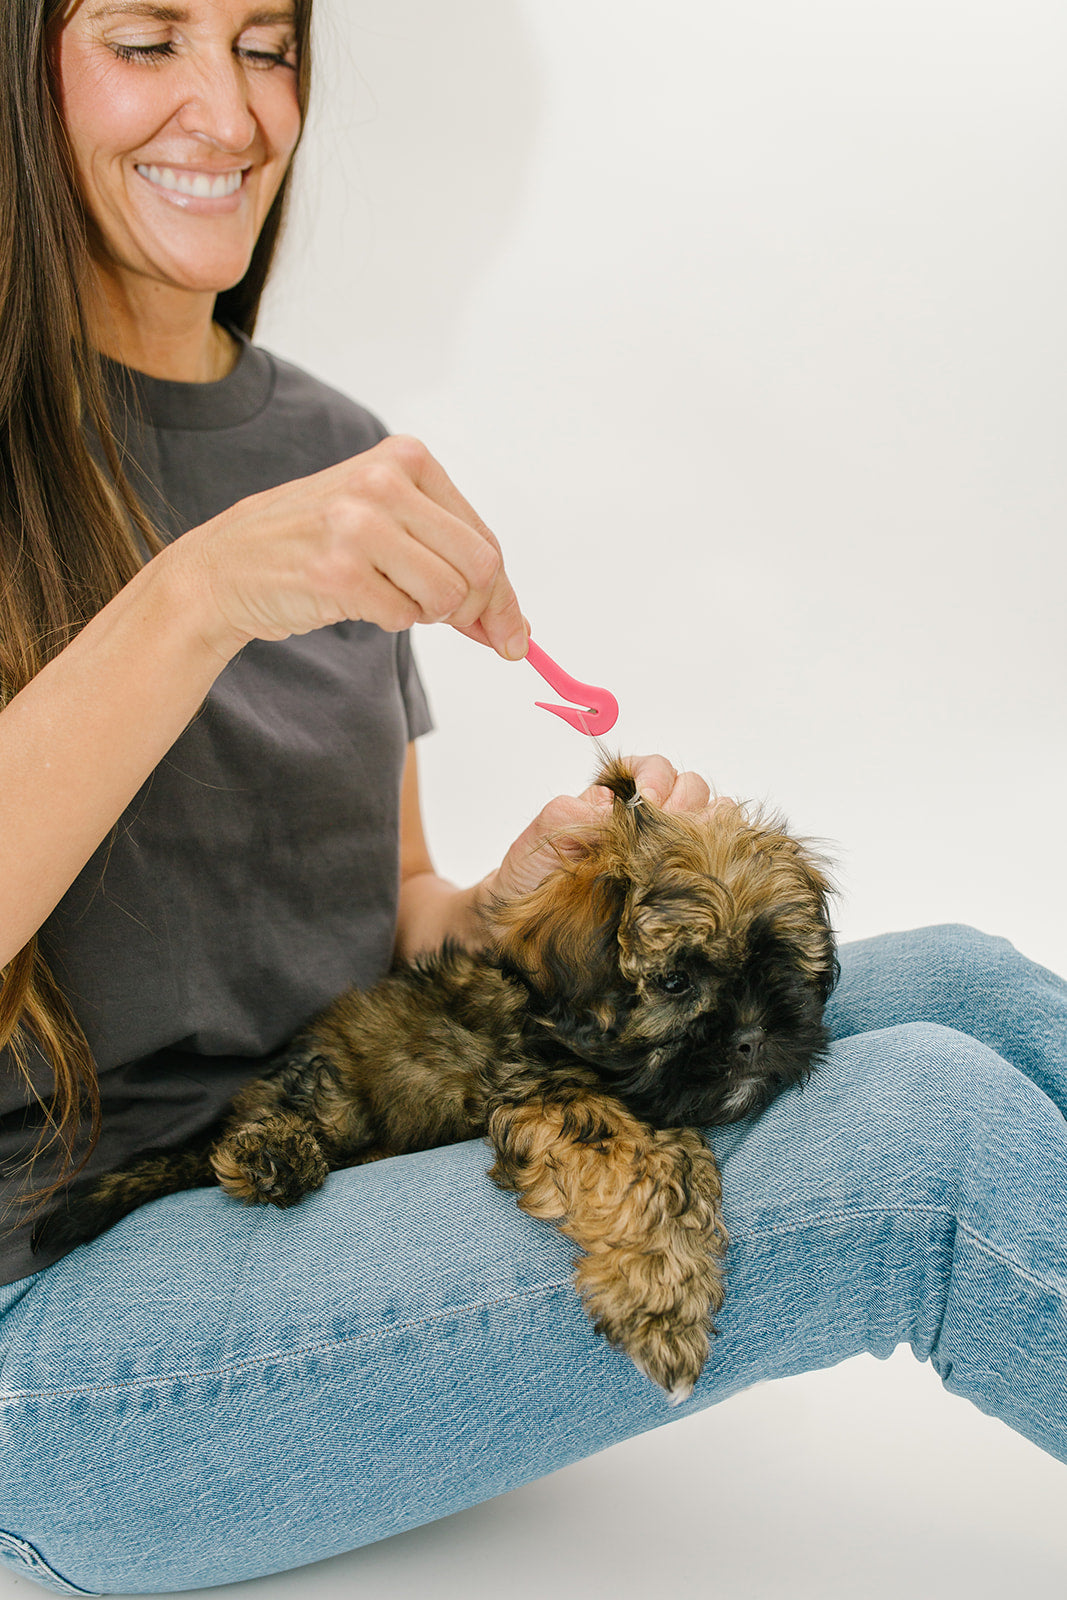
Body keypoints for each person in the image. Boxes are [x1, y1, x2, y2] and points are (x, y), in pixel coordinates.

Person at [0, 2, 1064, 1594]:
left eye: (266, 45)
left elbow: (386, 919)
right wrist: (196, 594)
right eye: (147, 39)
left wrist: (509, 910)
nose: (227, 111)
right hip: (64, 1329)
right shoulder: (214, 512)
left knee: (972, 985)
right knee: (932, 1141)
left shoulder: (332, 453)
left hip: (342, 1154)